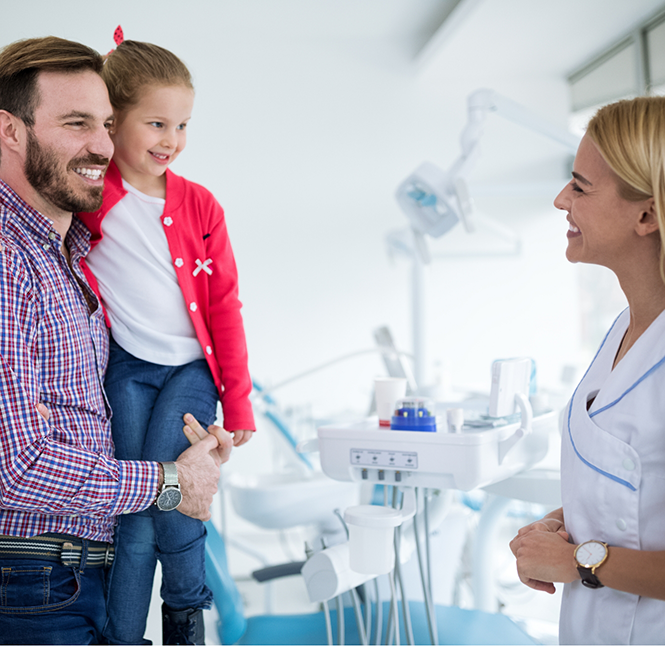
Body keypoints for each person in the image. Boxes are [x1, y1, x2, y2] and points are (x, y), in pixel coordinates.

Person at [0, 36, 232, 646]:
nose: (103, 145)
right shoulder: (7, 260)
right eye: (77, 123)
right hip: (30, 578)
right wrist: (171, 482)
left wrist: (198, 442)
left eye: (107, 124)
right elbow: (15, 465)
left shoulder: (69, 254)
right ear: (9, 131)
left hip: (74, 576)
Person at [77, 32, 255, 645]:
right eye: (156, 123)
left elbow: (226, 304)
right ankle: (124, 637)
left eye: (182, 125)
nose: (171, 140)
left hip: (191, 372)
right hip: (127, 370)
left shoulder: (200, 205)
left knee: (171, 493)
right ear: (114, 120)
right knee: (131, 509)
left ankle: (184, 611)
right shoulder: (91, 198)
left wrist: (238, 403)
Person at [510, 96, 665, 644]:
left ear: (646, 214)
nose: (560, 200)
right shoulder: (627, 329)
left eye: (580, 186)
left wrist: (581, 560)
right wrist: (561, 525)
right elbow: (637, 491)